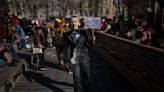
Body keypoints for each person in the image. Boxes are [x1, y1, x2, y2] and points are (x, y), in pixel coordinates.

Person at [59, 16, 96, 92]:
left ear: (79, 23)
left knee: (87, 78)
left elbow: (90, 43)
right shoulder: (67, 34)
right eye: (72, 22)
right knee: (76, 78)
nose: (73, 23)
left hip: (84, 58)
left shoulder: (85, 32)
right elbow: (65, 47)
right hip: (74, 59)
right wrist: (62, 58)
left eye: (75, 21)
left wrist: (93, 40)